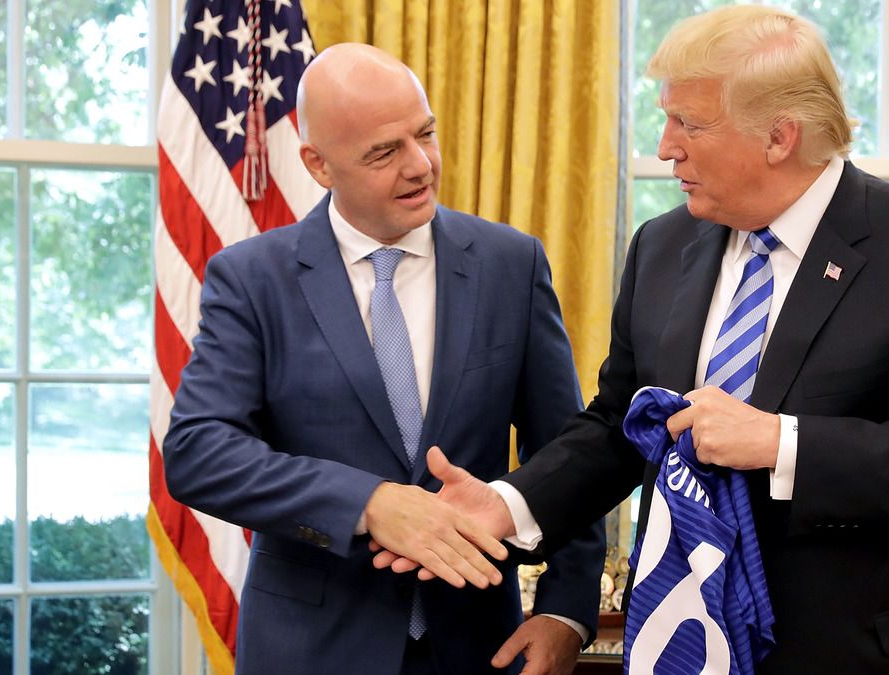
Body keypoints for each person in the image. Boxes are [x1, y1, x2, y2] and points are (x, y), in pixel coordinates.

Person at [381, 5, 889, 674]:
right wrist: (509, 503)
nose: (666, 146)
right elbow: (620, 427)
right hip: (684, 642)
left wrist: (781, 443)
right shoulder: (662, 246)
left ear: (780, 137)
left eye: (689, 124)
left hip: (866, 653)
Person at [162, 43, 604, 675]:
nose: (420, 165)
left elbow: (568, 453)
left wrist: (566, 612)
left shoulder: (512, 264)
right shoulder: (252, 278)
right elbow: (198, 451)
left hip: (479, 646)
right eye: (384, 152)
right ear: (318, 164)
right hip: (310, 651)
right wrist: (368, 504)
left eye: (425, 134)